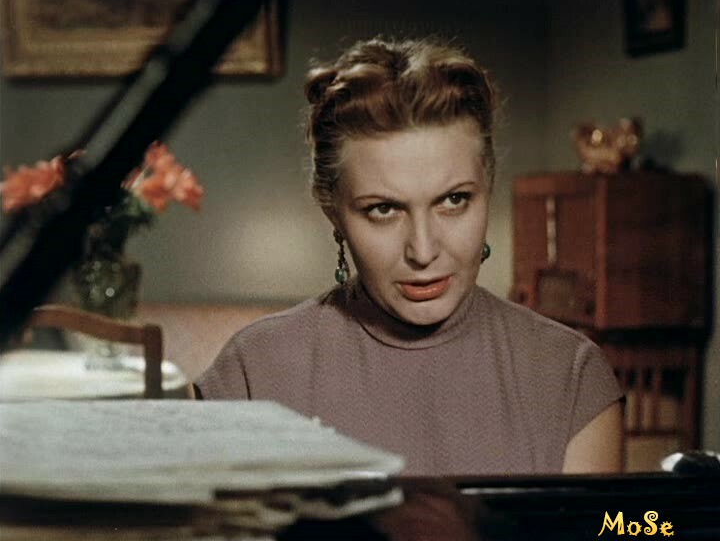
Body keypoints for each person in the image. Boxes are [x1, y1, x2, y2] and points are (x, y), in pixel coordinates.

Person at [195, 37, 624, 476]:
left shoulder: (570, 378)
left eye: (454, 200)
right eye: (384, 209)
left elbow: (627, 519)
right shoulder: (253, 372)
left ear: (488, 188)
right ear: (333, 211)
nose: (423, 251)